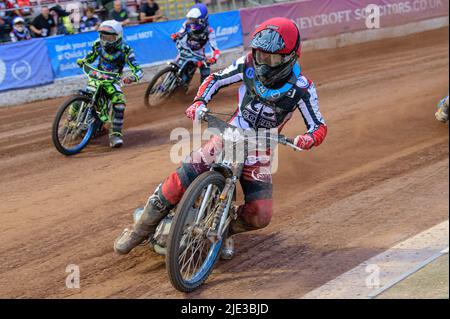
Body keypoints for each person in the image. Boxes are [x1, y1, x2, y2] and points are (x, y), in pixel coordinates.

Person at [114, 18, 327, 259]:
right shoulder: (247, 64)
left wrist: (308, 138)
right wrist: (199, 102)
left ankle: (224, 231)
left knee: (261, 214)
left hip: (261, 147)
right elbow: (214, 79)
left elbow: (319, 125)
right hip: (231, 133)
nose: (264, 62)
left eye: (273, 57)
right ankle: (139, 230)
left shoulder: (302, 88)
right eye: (260, 55)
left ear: (290, 57)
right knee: (185, 173)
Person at [74, 20, 143, 147]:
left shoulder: (126, 50)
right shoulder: (97, 45)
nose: (105, 40)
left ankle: (115, 135)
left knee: (120, 103)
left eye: (109, 37)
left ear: (118, 36)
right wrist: (83, 61)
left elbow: (138, 69)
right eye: (103, 36)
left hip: (113, 81)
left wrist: (133, 77)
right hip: (96, 77)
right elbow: (90, 57)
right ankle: (69, 123)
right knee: (80, 95)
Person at [170, 3, 220, 83]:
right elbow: (180, 32)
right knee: (173, 65)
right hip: (186, 50)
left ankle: (203, 91)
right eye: (190, 19)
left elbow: (215, 49)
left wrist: (213, 59)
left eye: (194, 20)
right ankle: (165, 81)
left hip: (199, 55)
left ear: (202, 20)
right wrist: (175, 35)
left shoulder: (209, 31)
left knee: (206, 72)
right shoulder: (187, 24)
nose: (191, 22)